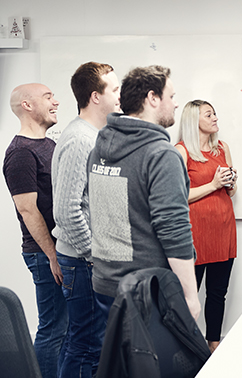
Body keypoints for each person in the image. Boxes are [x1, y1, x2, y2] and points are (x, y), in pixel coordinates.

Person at [87, 65, 200, 321]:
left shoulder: (100, 148)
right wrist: (190, 297)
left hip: (106, 285)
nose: (175, 104)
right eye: (171, 97)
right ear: (152, 98)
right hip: (146, 290)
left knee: (118, 361)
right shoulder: (161, 154)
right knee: (155, 362)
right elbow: (173, 228)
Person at [51, 62, 120, 378]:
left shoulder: (94, 135)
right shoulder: (81, 140)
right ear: (95, 96)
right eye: (115, 89)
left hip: (87, 261)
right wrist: (96, 257)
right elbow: (66, 211)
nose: (120, 96)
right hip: (83, 262)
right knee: (88, 348)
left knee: (87, 344)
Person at [3, 83, 68, 378]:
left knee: (66, 328)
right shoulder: (20, 153)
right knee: (53, 330)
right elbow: (27, 210)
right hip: (44, 256)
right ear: (27, 105)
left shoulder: (48, 145)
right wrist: (53, 256)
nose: (56, 102)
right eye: (48, 97)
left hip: (60, 252)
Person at [175, 100, 238, 353]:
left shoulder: (222, 147)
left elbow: (231, 192)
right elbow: (177, 194)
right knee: (188, 297)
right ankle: (183, 348)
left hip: (223, 229)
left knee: (217, 293)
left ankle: (214, 344)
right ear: (194, 121)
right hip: (194, 235)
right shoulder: (180, 151)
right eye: (209, 114)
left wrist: (230, 182)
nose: (215, 118)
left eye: (215, 113)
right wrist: (213, 184)